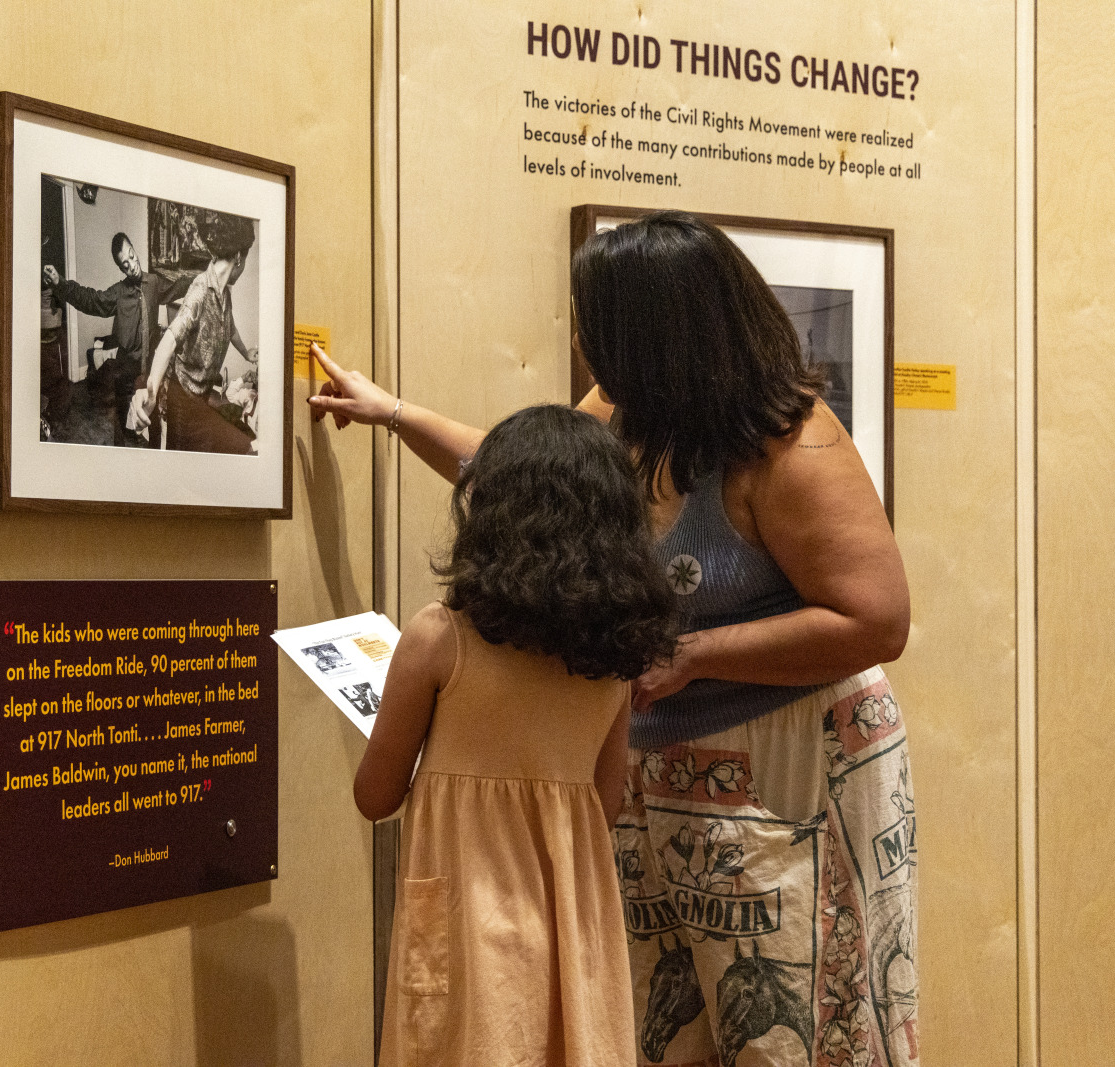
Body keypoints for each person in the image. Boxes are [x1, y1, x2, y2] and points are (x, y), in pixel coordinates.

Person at [312, 210, 918, 1067]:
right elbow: (534, 475)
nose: (587, 345)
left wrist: (696, 655)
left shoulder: (794, 447)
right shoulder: (631, 407)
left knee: (794, 1036)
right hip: (663, 760)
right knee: (668, 1032)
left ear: (655, 337)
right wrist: (394, 412)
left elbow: (877, 619)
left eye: (596, 324)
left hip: (790, 774)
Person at [357, 404, 676, 1067]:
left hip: (463, 935)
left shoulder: (438, 639)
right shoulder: (613, 665)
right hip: (569, 930)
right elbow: (605, 802)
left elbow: (375, 793)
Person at [134, 213, 259, 454]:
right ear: (239, 258)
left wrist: (246, 353)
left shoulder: (225, 293)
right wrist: (150, 394)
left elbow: (228, 324)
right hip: (182, 400)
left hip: (202, 395)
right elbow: (169, 340)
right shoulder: (200, 290)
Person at [44, 233, 147, 444]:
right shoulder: (118, 293)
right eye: (125, 264)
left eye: (131, 257)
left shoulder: (154, 282)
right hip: (126, 369)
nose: (132, 266)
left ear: (135, 251)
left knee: (146, 425)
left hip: (148, 368)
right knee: (124, 427)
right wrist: (60, 283)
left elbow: (181, 285)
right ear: (121, 269)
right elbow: (91, 299)